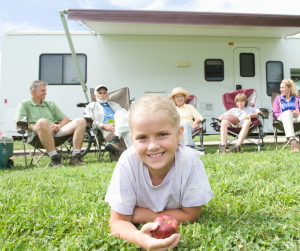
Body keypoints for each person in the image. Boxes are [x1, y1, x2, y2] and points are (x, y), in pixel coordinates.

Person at [105, 95, 214, 250]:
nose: (153, 146)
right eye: (142, 137)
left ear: (178, 134)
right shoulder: (128, 162)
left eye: (162, 134)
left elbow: (191, 215)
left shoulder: (188, 160)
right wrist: (139, 238)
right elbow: (117, 222)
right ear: (132, 139)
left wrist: (136, 215)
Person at [15, 80, 87, 167]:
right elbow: (18, 123)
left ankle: (75, 157)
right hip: (36, 136)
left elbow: (65, 119)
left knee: (81, 121)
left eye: (45, 90)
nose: (45, 93)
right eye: (42, 91)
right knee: (42, 121)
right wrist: (37, 128)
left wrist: (58, 126)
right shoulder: (25, 104)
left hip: (55, 133)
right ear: (33, 91)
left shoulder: (50, 104)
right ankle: (55, 158)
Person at [84, 85, 132, 155]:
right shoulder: (91, 106)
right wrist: (104, 125)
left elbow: (125, 116)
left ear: (107, 95)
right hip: (105, 128)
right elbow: (90, 120)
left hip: (118, 125)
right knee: (127, 131)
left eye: (104, 93)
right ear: (95, 96)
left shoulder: (115, 105)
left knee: (121, 113)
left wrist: (116, 124)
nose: (102, 95)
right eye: (100, 93)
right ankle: (133, 153)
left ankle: (116, 139)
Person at [273, 79, 300, 152]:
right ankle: (293, 142)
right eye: (280, 87)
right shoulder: (277, 99)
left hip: (296, 120)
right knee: (287, 113)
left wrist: (298, 113)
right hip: (282, 121)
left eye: (282, 87)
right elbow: (275, 114)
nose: (280, 89)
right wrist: (286, 113)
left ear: (289, 88)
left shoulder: (298, 98)